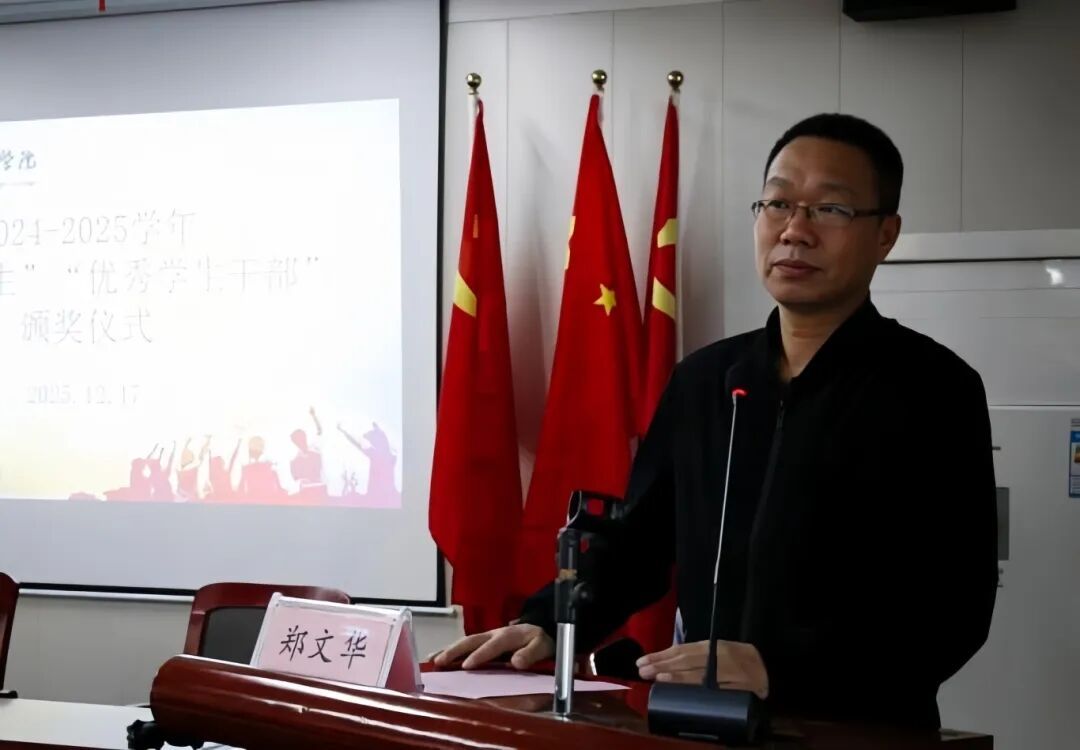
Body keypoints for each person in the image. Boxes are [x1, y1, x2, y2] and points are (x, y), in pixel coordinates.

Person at [433, 113, 998, 729]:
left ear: (885, 234)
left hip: (859, 729)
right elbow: (639, 544)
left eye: (830, 209)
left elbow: (954, 608)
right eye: (778, 203)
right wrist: (547, 622)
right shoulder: (708, 381)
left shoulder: (932, 388)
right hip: (705, 722)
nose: (795, 230)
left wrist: (781, 667)